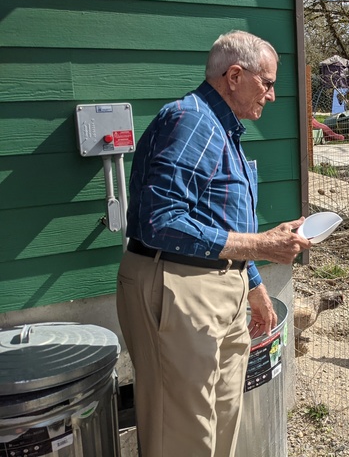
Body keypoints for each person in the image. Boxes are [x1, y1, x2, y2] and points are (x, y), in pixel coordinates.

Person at [117, 30, 312, 457]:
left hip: (219, 286)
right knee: (183, 436)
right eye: (268, 82)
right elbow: (158, 220)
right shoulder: (191, 120)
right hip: (180, 286)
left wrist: (255, 284)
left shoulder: (222, 130)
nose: (273, 96)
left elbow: (223, 221)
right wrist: (261, 244)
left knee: (220, 425)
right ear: (235, 75)